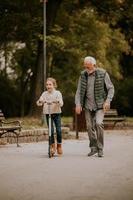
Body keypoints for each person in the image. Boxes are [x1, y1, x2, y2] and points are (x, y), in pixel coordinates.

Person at [75, 56, 114, 157]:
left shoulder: (103, 73)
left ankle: (100, 148)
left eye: (89, 67)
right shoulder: (82, 75)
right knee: (89, 126)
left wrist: (108, 101)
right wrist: (78, 104)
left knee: (98, 123)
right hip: (88, 105)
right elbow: (79, 91)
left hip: (100, 105)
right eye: (85, 67)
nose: (87, 69)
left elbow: (111, 88)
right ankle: (93, 148)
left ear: (94, 65)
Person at [36, 77, 63, 156]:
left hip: (57, 113)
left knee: (58, 130)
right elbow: (39, 102)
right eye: (47, 85)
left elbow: (61, 103)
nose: (48, 86)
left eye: (50, 84)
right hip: (48, 114)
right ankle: (52, 146)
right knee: (50, 131)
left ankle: (59, 145)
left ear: (54, 85)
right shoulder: (44, 94)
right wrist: (40, 101)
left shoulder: (58, 93)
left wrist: (57, 101)